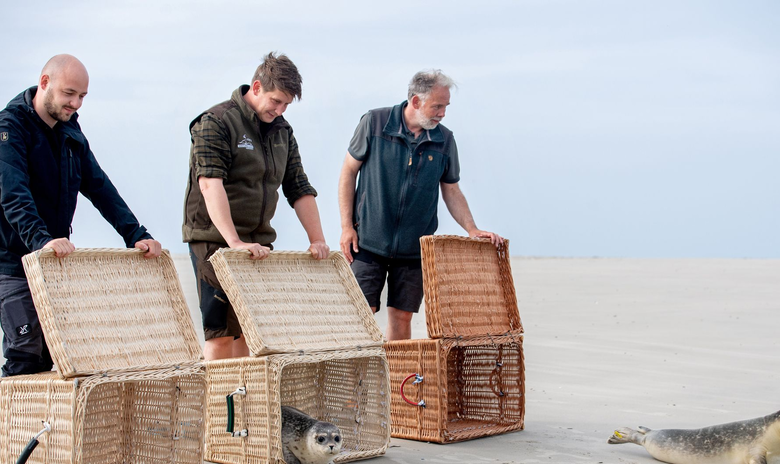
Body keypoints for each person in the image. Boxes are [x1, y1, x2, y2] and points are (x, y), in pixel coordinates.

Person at [0, 54, 162, 377]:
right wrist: (41, 240)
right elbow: (13, 193)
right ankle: (10, 428)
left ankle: (42, 429)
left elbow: (99, 186)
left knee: (55, 355)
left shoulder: (70, 130)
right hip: (14, 263)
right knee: (25, 356)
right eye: (69, 93)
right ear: (45, 83)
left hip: (52, 264)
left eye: (82, 96)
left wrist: (136, 233)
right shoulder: (10, 127)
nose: (76, 103)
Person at [183, 52, 329, 361]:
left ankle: (243, 407)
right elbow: (210, 184)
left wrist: (317, 239)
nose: (280, 110)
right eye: (276, 101)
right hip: (214, 241)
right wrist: (234, 242)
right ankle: (216, 407)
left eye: (286, 105)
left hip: (258, 244)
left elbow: (298, 186)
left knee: (250, 335)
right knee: (221, 335)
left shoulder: (282, 131)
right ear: (257, 86)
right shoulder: (215, 122)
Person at [338, 69, 501, 341]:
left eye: (445, 106)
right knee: (362, 313)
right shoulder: (375, 122)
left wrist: (471, 228)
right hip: (367, 241)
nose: (442, 113)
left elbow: (451, 189)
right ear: (415, 101)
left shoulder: (445, 140)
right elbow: (347, 173)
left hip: (415, 248)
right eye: (437, 106)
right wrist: (346, 227)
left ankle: (396, 382)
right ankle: (361, 381)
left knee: (402, 317)